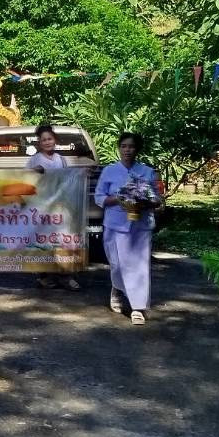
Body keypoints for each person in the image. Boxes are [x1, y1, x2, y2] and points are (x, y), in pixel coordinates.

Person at [95, 132, 163, 324]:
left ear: (137, 149)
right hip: (115, 225)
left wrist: (143, 201)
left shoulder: (147, 172)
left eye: (131, 146)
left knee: (139, 267)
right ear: (119, 148)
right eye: (124, 146)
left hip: (140, 227)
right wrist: (119, 198)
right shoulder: (109, 171)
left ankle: (138, 308)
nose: (127, 150)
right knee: (117, 265)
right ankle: (117, 289)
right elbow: (99, 197)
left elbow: (157, 199)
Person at [30, 123, 80, 291]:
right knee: (44, 241)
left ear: (55, 140)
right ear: (39, 143)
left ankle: (66, 276)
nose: (47, 142)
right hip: (42, 206)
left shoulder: (61, 159)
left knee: (63, 239)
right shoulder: (35, 159)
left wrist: (82, 173)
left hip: (60, 206)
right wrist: (33, 172)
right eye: (43, 140)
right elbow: (24, 180)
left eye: (50, 139)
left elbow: (69, 179)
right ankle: (43, 276)